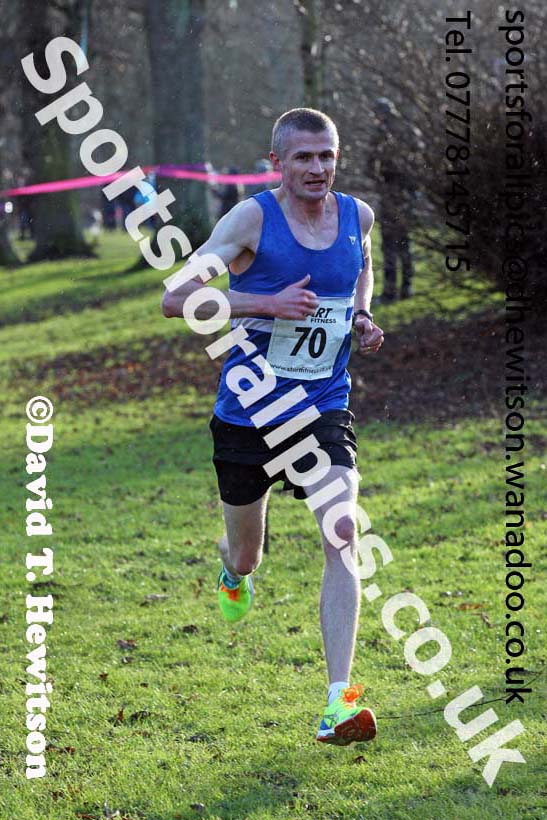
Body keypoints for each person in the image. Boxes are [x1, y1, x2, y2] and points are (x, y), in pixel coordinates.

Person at [162, 108, 384, 746]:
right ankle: (234, 573)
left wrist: (362, 317)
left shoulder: (357, 217)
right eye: (303, 158)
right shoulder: (251, 219)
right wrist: (265, 302)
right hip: (249, 411)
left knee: (344, 531)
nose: (317, 169)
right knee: (247, 550)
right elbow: (175, 297)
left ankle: (338, 702)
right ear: (277, 164)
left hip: (322, 405)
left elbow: (358, 271)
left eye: (327, 157)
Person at [368, 97, 421, 302]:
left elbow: (370, 164)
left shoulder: (383, 134)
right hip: (407, 193)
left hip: (391, 192)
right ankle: (406, 287)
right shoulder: (409, 131)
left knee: (390, 243)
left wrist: (380, 181)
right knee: (403, 242)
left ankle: (391, 291)